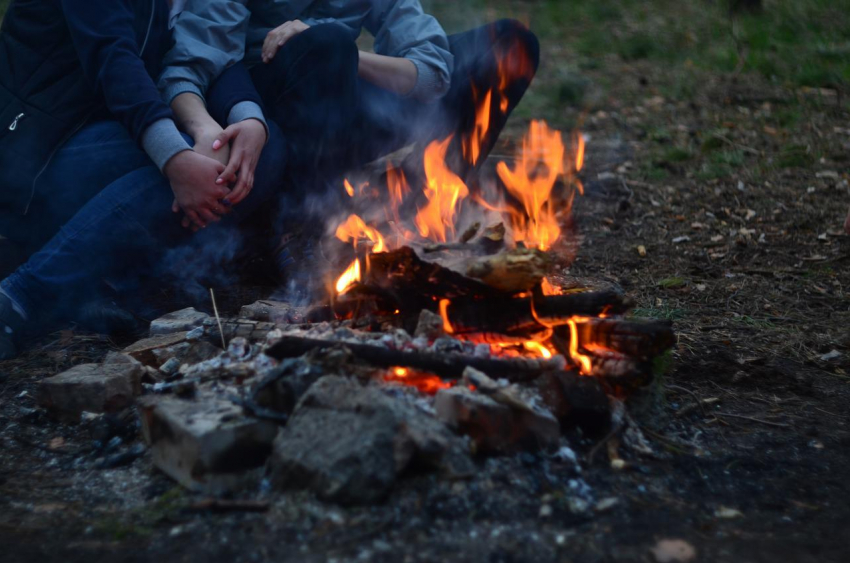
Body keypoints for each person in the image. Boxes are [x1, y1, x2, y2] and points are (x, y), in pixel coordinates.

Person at [0, 0, 287, 360]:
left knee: (260, 148)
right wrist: (176, 158)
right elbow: (112, 57)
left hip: (112, 132)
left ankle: (104, 282)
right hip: (35, 148)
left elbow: (201, 53)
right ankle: (20, 298)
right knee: (187, 160)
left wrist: (246, 117)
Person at [160, 0, 539, 222]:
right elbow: (186, 69)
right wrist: (202, 130)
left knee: (511, 44)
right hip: (270, 122)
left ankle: (417, 204)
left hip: (341, 108)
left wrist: (353, 57)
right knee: (328, 44)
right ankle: (300, 226)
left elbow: (433, 75)